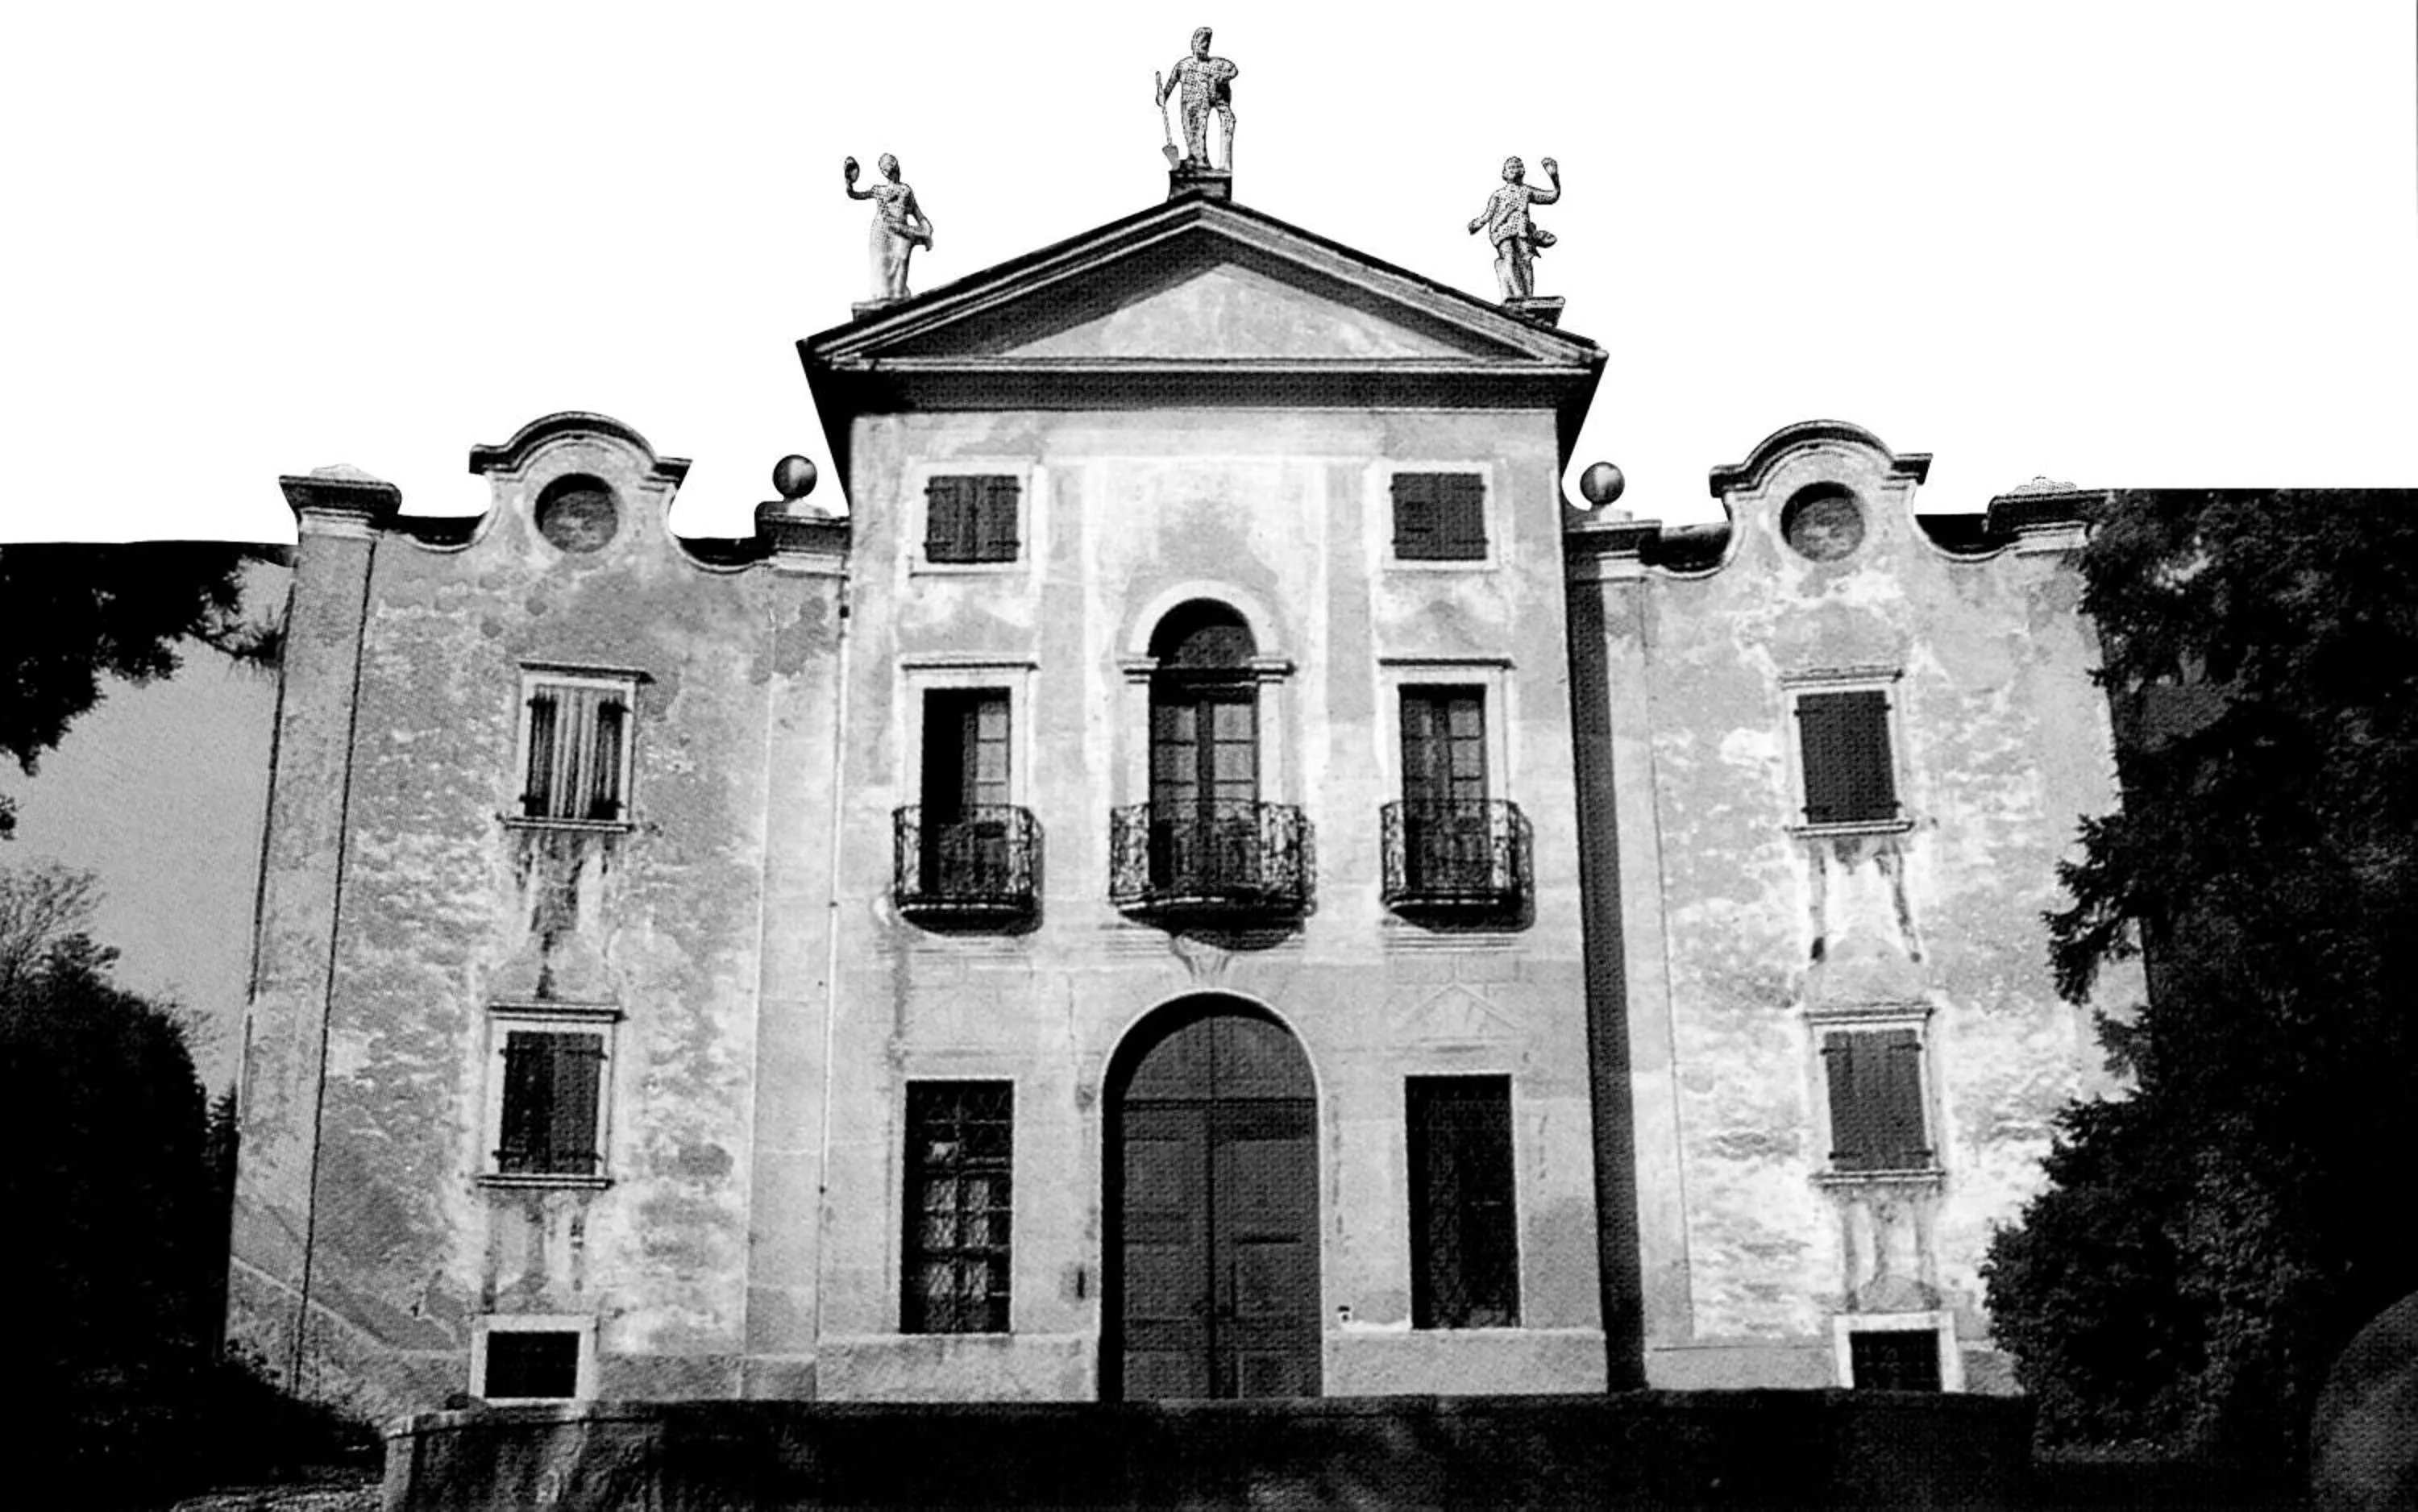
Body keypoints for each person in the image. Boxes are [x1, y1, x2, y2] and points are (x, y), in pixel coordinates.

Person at [1468, 156, 1561, 301]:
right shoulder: (1499, 195)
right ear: (1504, 174)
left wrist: (1554, 178)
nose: (1515, 170)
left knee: (1526, 259)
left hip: (1522, 231)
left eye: (1517, 167)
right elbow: (1488, 215)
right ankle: (1516, 293)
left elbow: (1552, 197)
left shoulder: (1526, 191)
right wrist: (1478, 223)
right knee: (1509, 258)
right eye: (1511, 168)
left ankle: (1528, 296)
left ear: (1523, 171)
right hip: (1502, 231)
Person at [843, 153, 934, 302]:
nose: (891, 171)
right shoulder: (878, 190)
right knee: (881, 263)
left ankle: (898, 297)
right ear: (884, 172)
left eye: (892, 166)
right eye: (886, 168)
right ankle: (883, 298)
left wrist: (926, 230)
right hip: (882, 230)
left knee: (901, 258)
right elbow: (854, 194)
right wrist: (848, 181)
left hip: (901, 231)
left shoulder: (906, 190)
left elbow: (919, 214)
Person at [1159, 27, 1239, 171]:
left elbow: (1233, 69)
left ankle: (1215, 166)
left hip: (1207, 101)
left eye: (1206, 44)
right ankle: (1198, 162)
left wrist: (1221, 77)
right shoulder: (1183, 65)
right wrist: (1163, 96)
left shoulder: (1215, 64)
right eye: (1201, 43)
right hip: (1189, 106)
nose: (1204, 47)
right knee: (1192, 135)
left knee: (1218, 124)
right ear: (1193, 44)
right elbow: (1169, 85)